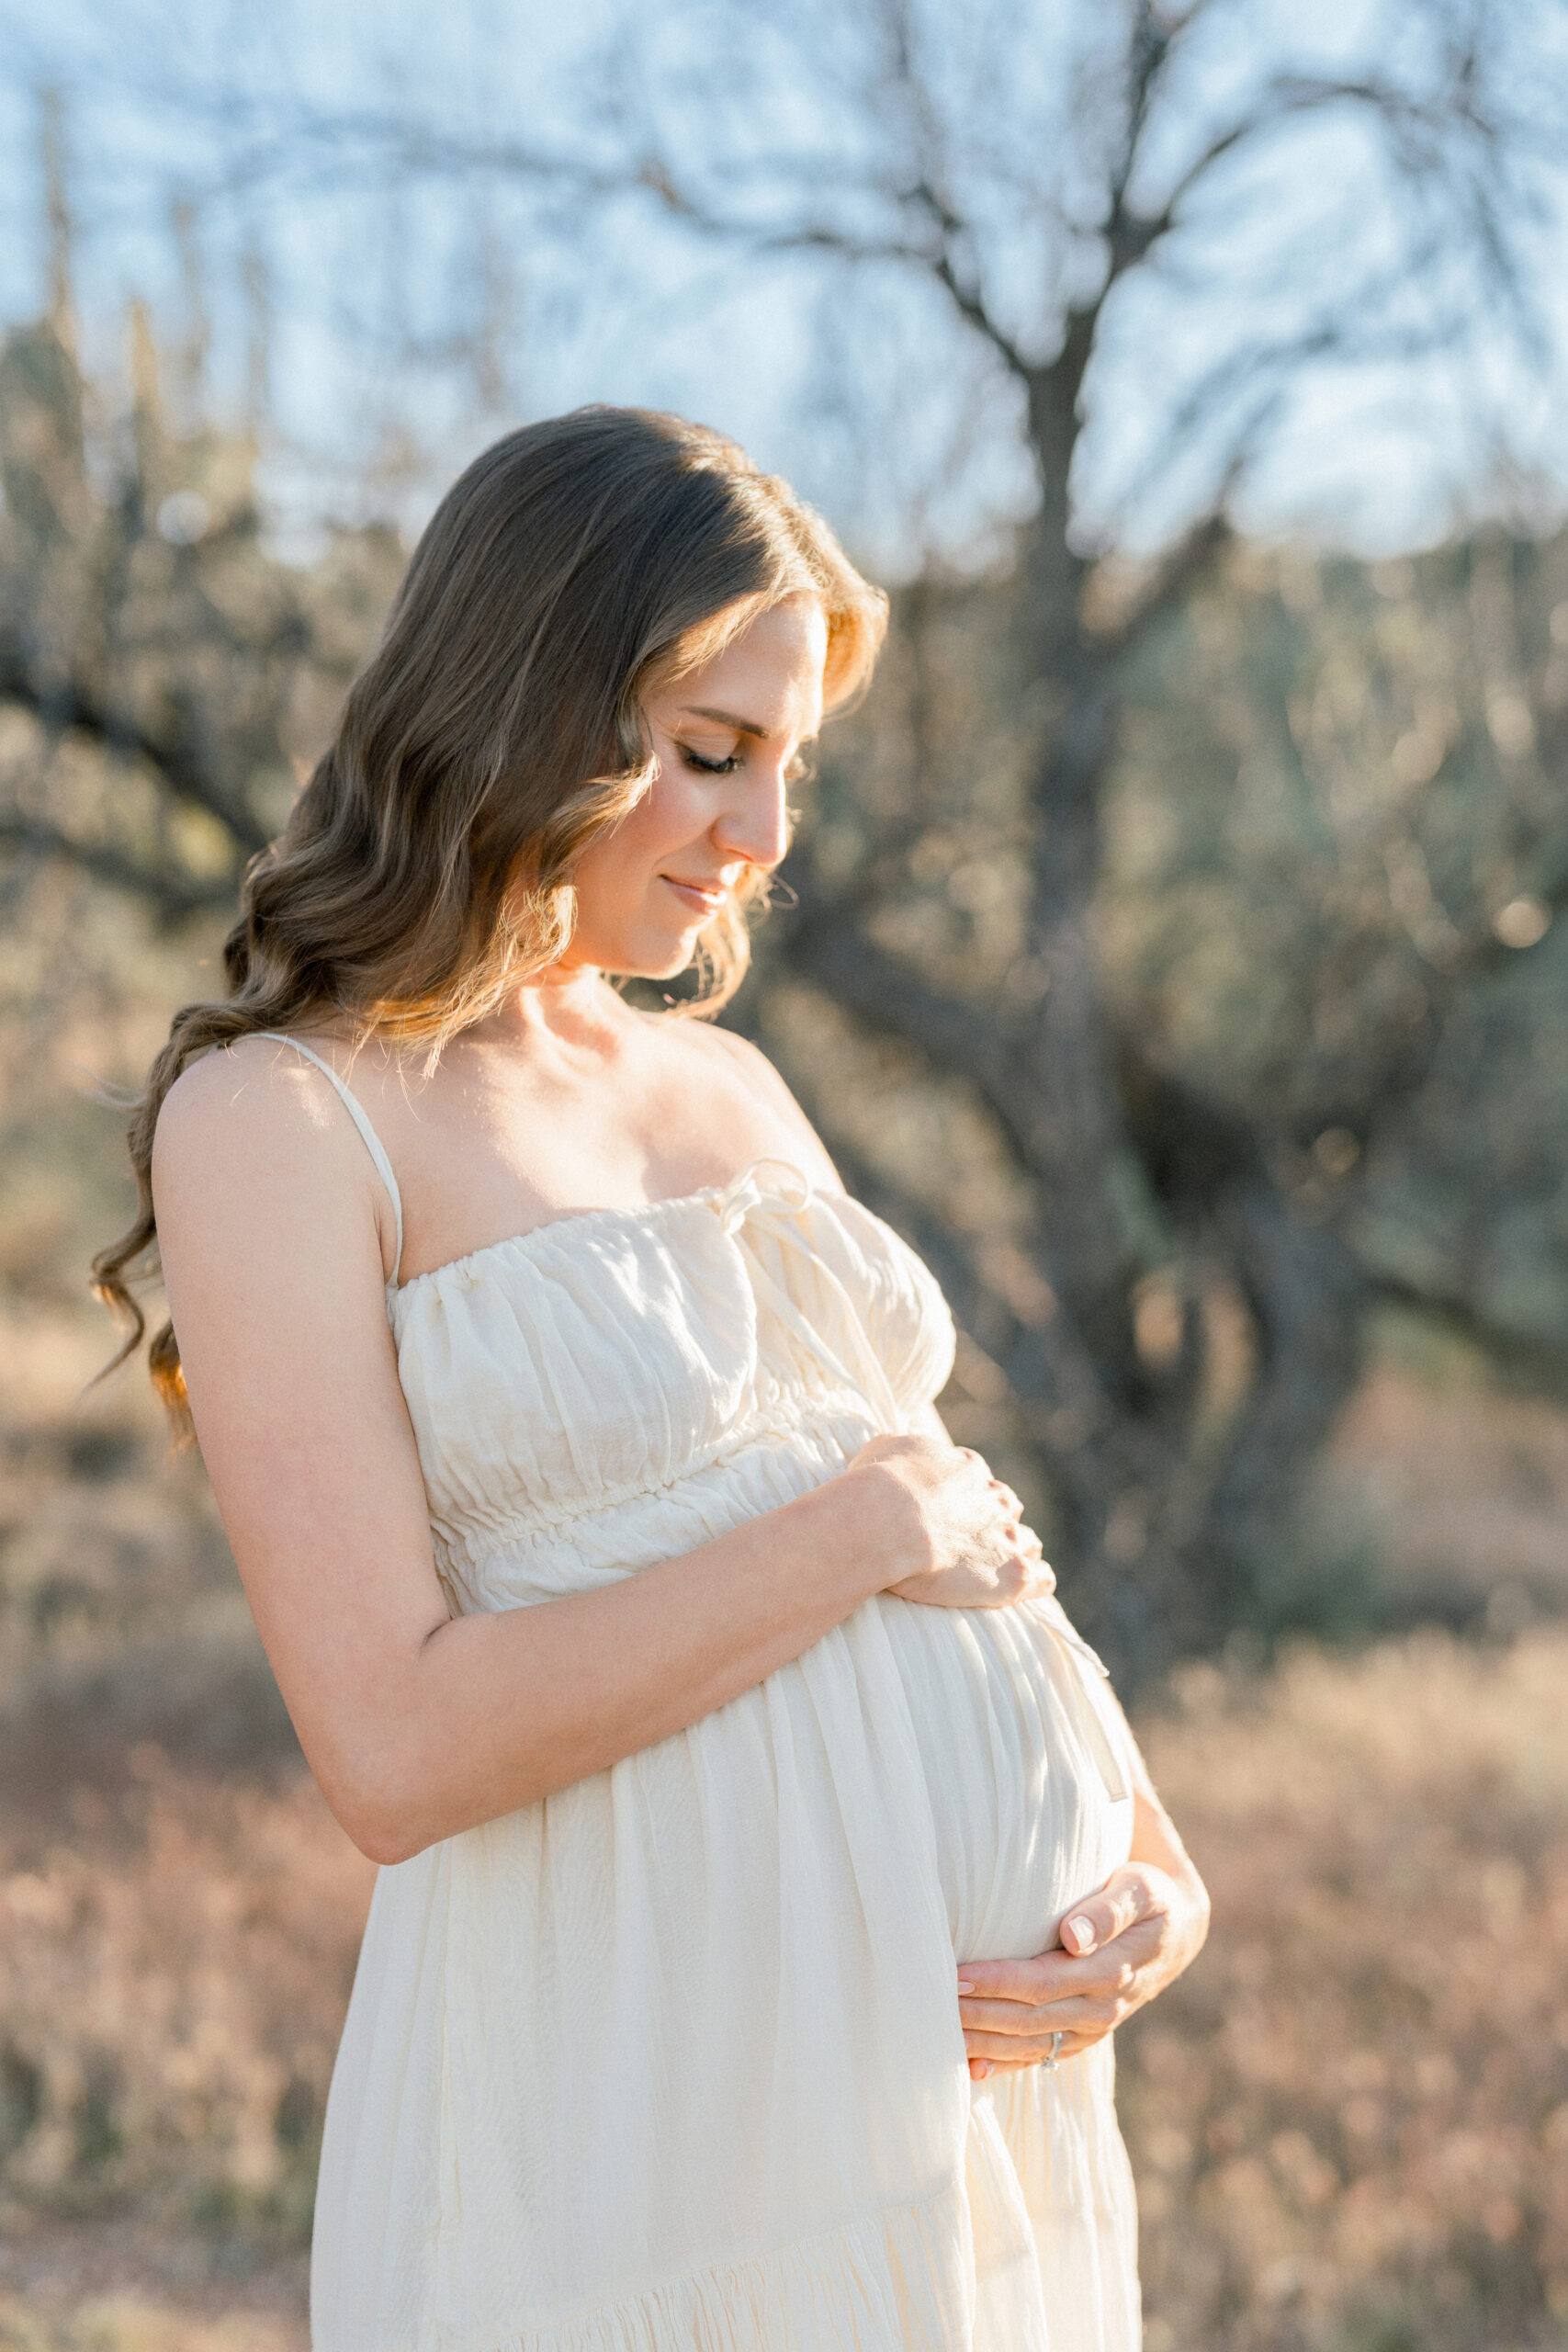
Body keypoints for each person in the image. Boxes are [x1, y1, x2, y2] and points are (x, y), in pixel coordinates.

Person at [96, 407, 1209, 2352]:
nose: (762, 834)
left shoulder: (728, 1084)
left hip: (948, 2107)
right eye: (708, 754)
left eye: (785, 765)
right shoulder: (283, 1118)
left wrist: (1141, 1855)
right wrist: (850, 1535)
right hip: (630, 2120)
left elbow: (962, 1529)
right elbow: (394, 1746)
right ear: (528, 700)